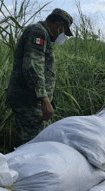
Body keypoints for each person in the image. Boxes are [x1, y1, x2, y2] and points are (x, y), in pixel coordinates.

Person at [6, 8, 73, 145]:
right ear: (59, 25)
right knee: (32, 143)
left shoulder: (43, 34)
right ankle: (21, 165)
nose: (63, 36)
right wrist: (44, 98)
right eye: (64, 31)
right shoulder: (38, 32)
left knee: (36, 139)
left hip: (32, 99)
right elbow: (33, 66)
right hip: (28, 100)